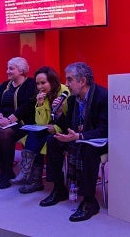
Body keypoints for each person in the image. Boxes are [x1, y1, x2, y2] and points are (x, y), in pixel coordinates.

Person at [39, 62, 108, 222]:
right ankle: (59, 188)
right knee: (53, 140)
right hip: (78, 137)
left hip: (98, 140)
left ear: (82, 81)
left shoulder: (102, 96)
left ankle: (90, 201)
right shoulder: (71, 100)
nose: (67, 84)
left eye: (69, 80)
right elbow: (67, 126)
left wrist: (79, 136)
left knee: (87, 148)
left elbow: (105, 129)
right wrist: (59, 113)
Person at [12, 66, 69, 194]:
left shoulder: (64, 92)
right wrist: (41, 104)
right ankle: (30, 176)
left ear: (52, 81)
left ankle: (31, 177)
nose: (40, 87)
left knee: (41, 138)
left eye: (43, 83)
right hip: (47, 128)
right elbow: (41, 122)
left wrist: (55, 128)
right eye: (37, 83)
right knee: (33, 133)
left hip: (63, 129)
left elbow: (68, 119)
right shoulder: (42, 95)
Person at [0, 57, 36, 189]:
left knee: (5, 133)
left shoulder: (30, 84)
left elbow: (28, 105)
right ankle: (6, 169)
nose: (7, 71)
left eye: (11, 68)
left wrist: (11, 118)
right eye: (8, 68)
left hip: (22, 121)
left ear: (21, 70)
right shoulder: (5, 85)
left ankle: (6, 173)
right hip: (3, 120)